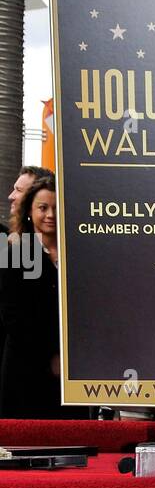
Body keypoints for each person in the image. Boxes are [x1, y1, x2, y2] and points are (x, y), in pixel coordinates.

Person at [0, 175, 72, 418]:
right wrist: (50, 356)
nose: (50, 214)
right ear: (29, 211)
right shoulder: (15, 254)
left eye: (56, 207)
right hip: (26, 367)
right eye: (43, 208)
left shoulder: (78, 254)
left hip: (70, 375)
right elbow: (12, 316)